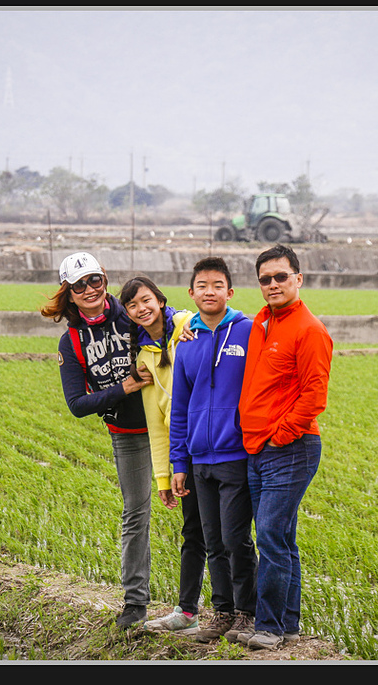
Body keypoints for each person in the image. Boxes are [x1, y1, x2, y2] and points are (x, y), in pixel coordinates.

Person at [40, 251, 154, 630]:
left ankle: (210, 605)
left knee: (202, 515)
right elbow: (77, 404)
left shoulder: (131, 313)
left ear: (104, 279)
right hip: (129, 435)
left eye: (94, 280)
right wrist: (123, 388)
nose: (89, 289)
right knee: (135, 514)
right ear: (69, 293)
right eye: (79, 285)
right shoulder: (70, 342)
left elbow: (169, 325)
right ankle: (135, 604)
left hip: (171, 426)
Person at [236, 244, 333, 650]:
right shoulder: (261, 321)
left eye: (280, 277)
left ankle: (270, 628)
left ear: (299, 278)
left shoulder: (309, 330)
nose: (272, 284)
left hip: (290, 449)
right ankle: (288, 626)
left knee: (271, 536)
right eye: (265, 279)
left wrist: (281, 433)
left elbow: (315, 396)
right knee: (282, 538)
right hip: (258, 449)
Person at [169, 257, 259, 644]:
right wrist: (179, 461)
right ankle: (221, 613)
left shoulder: (248, 331)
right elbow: (179, 406)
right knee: (213, 541)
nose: (210, 291)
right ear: (191, 294)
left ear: (230, 292)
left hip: (236, 455)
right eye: (202, 285)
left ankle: (247, 614)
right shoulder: (186, 342)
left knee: (237, 540)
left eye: (217, 285)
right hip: (199, 458)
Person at [117, 276, 205, 635]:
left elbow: (213, 322)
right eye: (133, 305)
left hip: (217, 441)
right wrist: (165, 477)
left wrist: (194, 328)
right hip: (185, 449)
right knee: (194, 531)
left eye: (146, 300)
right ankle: (187, 612)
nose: (142, 309)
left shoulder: (187, 324)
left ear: (161, 299)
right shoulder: (144, 356)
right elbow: (157, 423)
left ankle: (246, 612)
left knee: (230, 535)